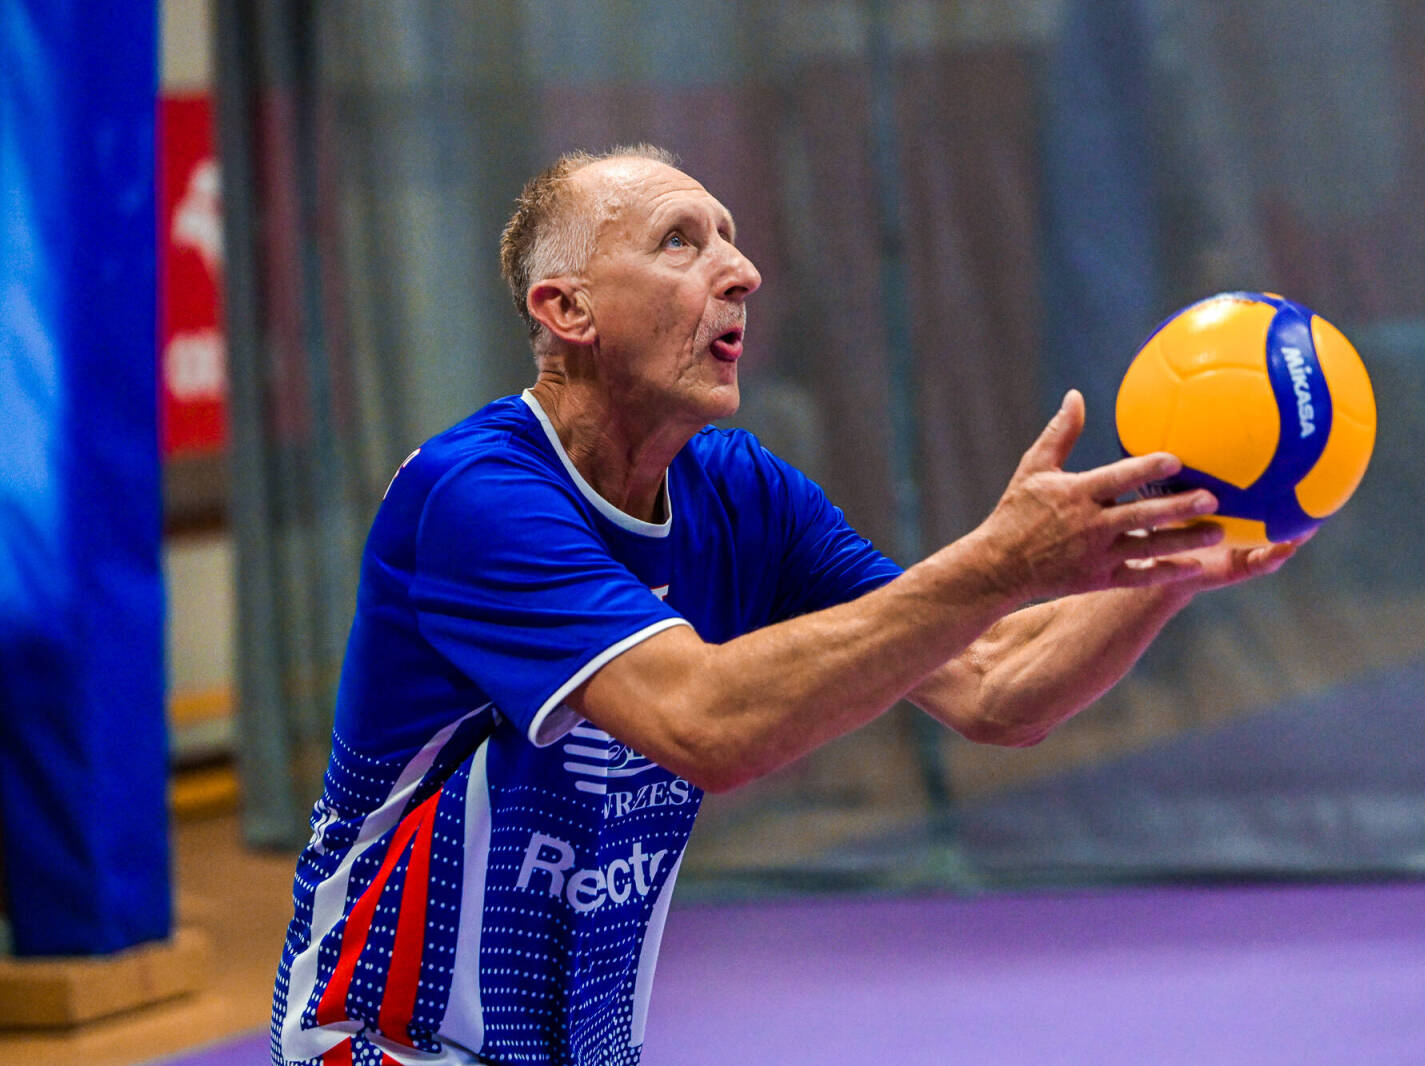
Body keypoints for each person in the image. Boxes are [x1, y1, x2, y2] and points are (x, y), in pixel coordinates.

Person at [269, 144, 1295, 1066]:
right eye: (680, 241)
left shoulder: (739, 492)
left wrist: (1176, 552)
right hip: (379, 1047)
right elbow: (705, 722)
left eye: (730, 236)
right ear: (568, 311)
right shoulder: (474, 497)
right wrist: (1000, 563)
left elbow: (994, 686)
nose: (742, 270)